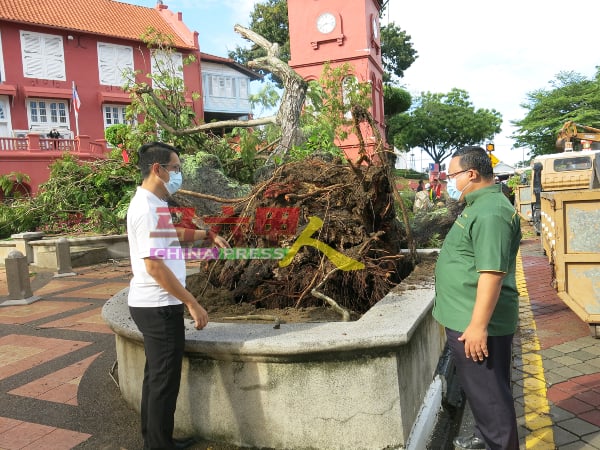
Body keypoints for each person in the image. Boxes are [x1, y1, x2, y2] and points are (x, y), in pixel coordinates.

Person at [127, 141, 229, 450]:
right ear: (157, 169)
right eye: (176, 169)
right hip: (159, 306)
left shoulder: (154, 202)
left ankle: (156, 439)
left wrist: (206, 235)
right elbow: (155, 267)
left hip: (153, 305)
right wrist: (192, 302)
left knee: (155, 377)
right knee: (164, 381)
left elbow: (172, 235)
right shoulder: (145, 208)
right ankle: (158, 445)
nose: (179, 175)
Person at [433, 146, 521, 450]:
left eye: (452, 175)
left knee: (491, 398)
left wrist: (478, 326)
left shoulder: (492, 212)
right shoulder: (476, 205)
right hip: (464, 316)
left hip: (476, 322)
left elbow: (492, 273)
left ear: (471, 174)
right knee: (484, 391)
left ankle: (498, 442)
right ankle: (485, 436)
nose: (450, 181)